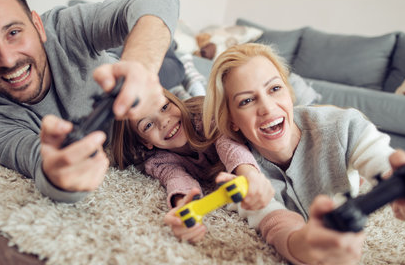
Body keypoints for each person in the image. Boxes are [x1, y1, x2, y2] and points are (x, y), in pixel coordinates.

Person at [202, 43, 405, 265]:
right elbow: (279, 228)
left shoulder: (343, 126)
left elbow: (393, 174)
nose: (267, 108)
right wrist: (309, 246)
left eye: (275, 89)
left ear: (289, 93)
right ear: (233, 121)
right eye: (247, 100)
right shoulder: (243, 174)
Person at [0, 0, 181, 203]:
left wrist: (141, 65)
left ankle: (180, 52)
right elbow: (40, 163)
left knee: (174, 67)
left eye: (13, 32)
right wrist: (61, 177)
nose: (8, 59)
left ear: (37, 25)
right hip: (121, 123)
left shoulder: (64, 26)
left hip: (124, 62)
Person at [109, 89, 294, 242]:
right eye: (148, 125)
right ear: (144, 142)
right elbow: (175, 178)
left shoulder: (203, 117)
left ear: (175, 101)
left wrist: (248, 174)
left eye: (165, 107)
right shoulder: (158, 159)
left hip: (257, 151)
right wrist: (184, 205)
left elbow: (227, 143)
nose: (163, 121)